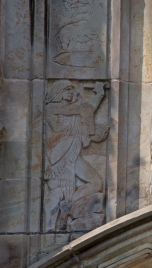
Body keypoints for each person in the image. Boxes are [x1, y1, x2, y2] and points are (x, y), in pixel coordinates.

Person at [43, 80, 109, 231]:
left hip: (73, 153)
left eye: (73, 89)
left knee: (96, 182)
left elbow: (86, 110)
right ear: (58, 91)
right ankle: (49, 229)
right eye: (68, 89)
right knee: (56, 193)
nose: (73, 92)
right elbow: (61, 128)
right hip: (58, 155)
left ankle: (67, 204)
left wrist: (99, 94)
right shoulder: (51, 108)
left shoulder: (76, 110)